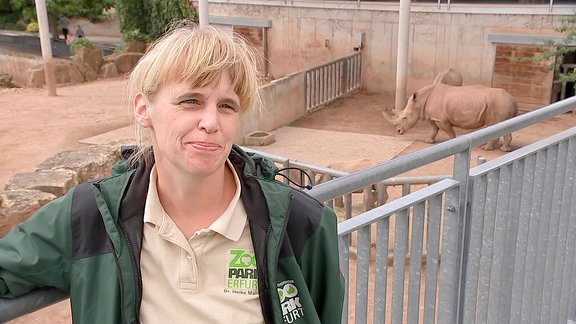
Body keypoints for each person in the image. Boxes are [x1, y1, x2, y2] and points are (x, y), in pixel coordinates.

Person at [0, 19, 345, 323]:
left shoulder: (301, 224)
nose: (211, 122)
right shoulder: (90, 217)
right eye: (190, 101)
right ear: (143, 109)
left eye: (226, 106)